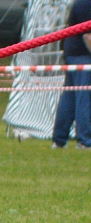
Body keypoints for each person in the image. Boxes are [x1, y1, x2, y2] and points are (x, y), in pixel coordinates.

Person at [51, 0, 91, 149]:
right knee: (84, 96)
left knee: (70, 96)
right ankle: (85, 141)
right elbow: (88, 36)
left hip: (74, 52)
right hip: (81, 53)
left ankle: (59, 140)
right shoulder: (86, 4)